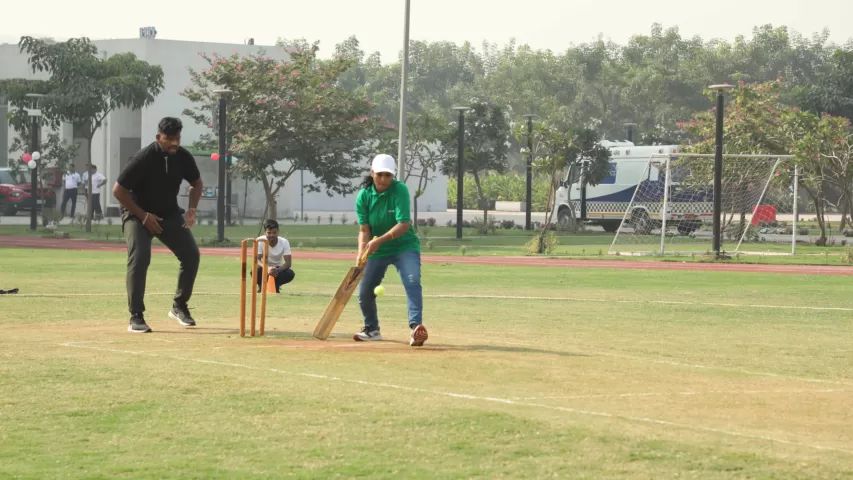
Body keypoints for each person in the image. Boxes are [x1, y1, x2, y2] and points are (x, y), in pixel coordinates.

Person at [113, 117, 203, 333]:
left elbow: (197, 183)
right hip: (137, 214)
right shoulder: (143, 158)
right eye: (169, 139)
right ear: (158, 137)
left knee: (191, 255)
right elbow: (119, 191)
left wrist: (192, 208)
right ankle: (136, 316)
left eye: (177, 139)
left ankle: (179, 306)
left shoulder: (182, 157)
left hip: (168, 214)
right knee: (140, 257)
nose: (174, 143)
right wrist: (143, 217)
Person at [353, 154, 428, 347]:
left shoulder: (400, 190)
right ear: (372, 173)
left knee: (412, 281)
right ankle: (372, 329)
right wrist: (362, 252)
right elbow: (364, 230)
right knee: (365, 292)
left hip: (405, 246)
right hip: (377, 249)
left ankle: (415, 328)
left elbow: (403, 225)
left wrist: (380, 241)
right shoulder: (364, 196)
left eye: (388, 175)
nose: (384, 179)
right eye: (380, 175)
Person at [254, 219, 296, 294]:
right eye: (269, 233)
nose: (272, 235)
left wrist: (276, 270)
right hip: (264, 267)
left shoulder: (284, 242)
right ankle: (261, 286)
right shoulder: (260, 240)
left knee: (290, 273)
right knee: (254, 272)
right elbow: (257, 260)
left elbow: (288, 263)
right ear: (265, 232)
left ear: (278, 232)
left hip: (278, 268)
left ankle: (276, 286)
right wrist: (267, 269)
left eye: (274, 232)